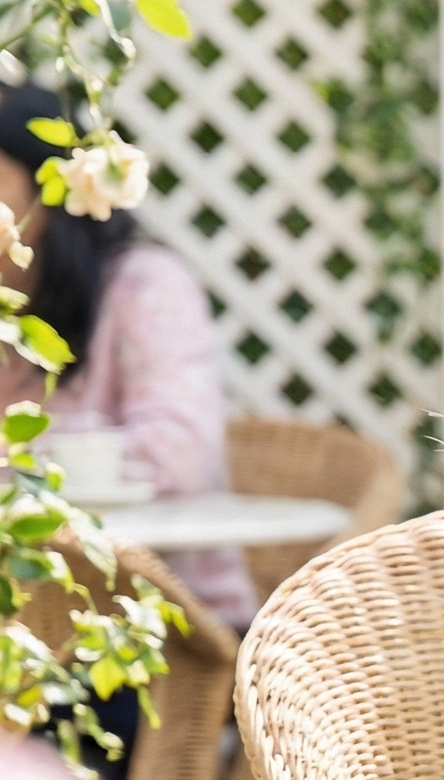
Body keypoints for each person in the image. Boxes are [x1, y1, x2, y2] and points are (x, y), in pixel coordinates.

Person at [0, 83, 256, 652]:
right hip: (21, 623)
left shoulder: (144, 286)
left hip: (167, 627)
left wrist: (24, 465)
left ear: (51, 185)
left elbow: (174, 454)